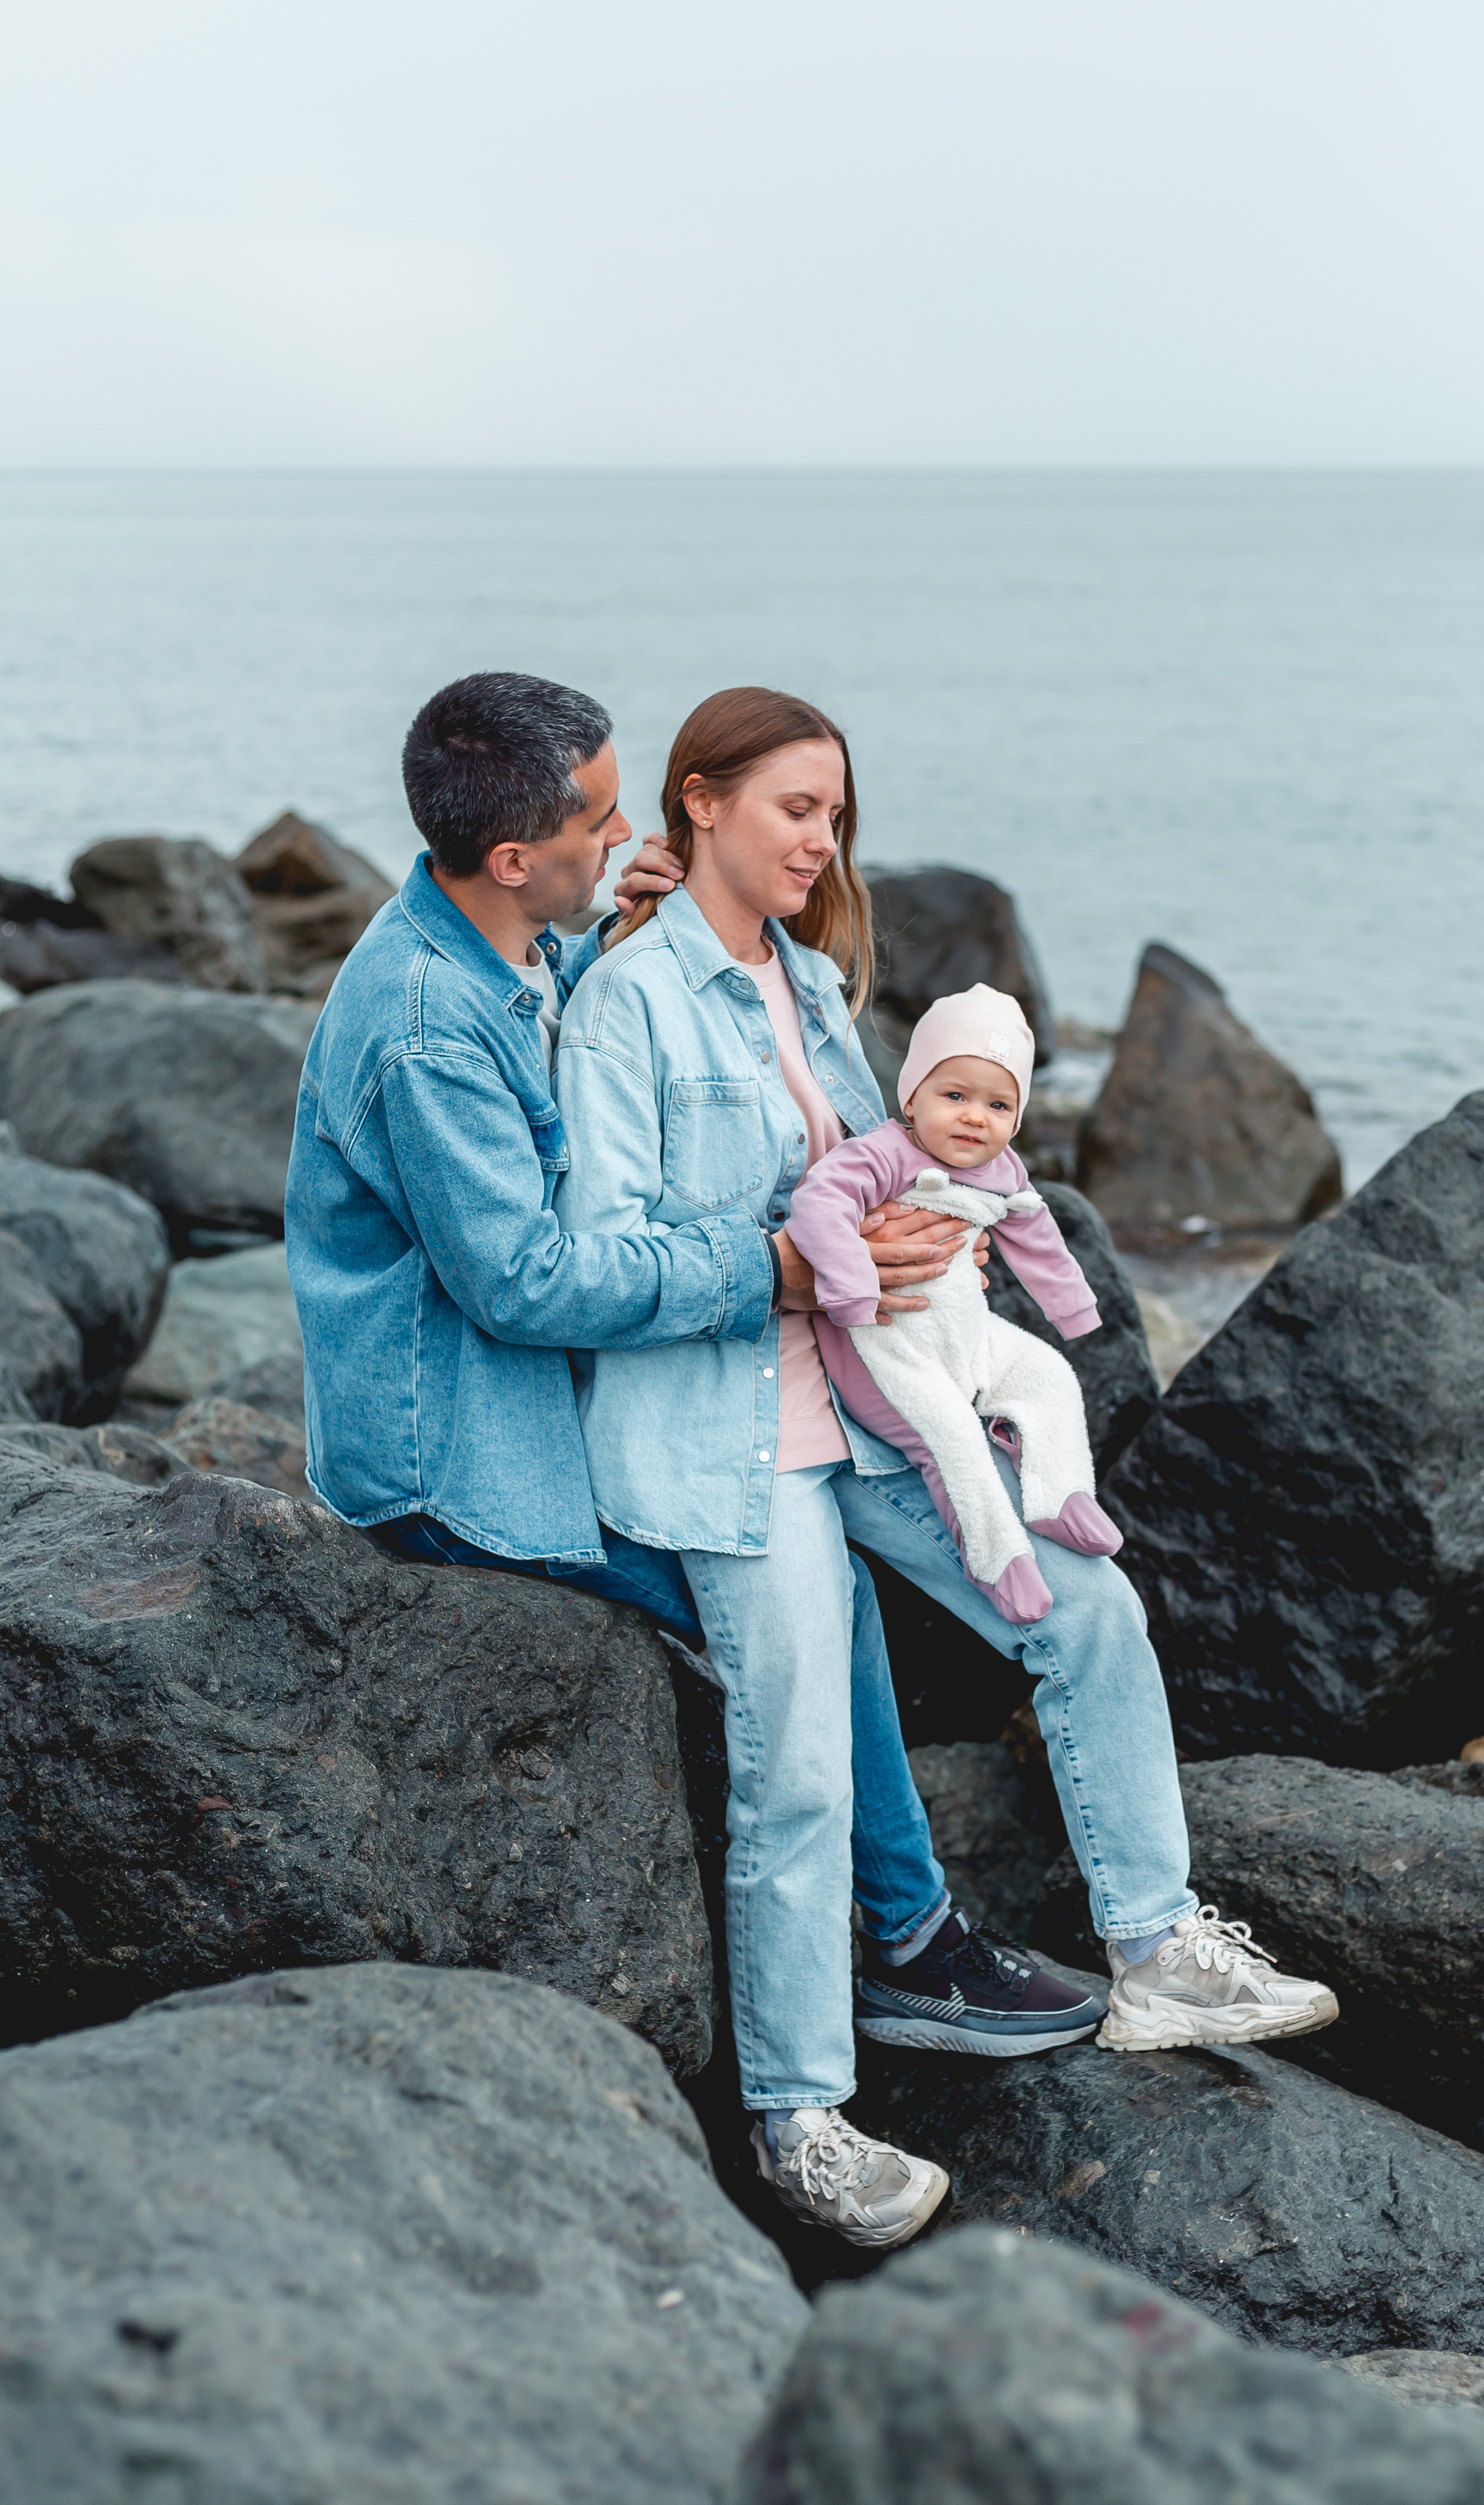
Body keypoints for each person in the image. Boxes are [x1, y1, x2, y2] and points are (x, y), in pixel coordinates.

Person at [284, 671, 1079, 2251]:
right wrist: (772, 1273)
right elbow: (524, 1279)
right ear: (512, 849)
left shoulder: (498, 934)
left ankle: (902, 1933)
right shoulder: (422, 1028)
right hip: (464, 1454)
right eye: (597, 820)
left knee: (830, 1553)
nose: (627, 830)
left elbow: (554, 1013)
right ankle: (881, 1976)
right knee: (807, 1597)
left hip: (557, 1399)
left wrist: (605, 936)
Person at [556, 686, 1339, 2247]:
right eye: (794, 806)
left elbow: (911, 1161)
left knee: (1086, 1602)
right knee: (800, 1769)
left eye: (836, 813)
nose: (822, 838)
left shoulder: (816, 989)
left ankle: (1152, 1949)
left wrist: (941, 1242)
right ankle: (798, 2120)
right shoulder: (625, 1002)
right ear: (694, 801)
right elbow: (592, 1254)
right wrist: (788, 1255)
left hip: (876, 1407)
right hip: (729, 1444)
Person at [785, 979, 1125, 1624]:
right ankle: (996, 1558)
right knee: (952, 1441)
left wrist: (1074, 1311)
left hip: (968, 1335)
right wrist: (853, 1288)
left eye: (999, 1105)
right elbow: (819, 1206)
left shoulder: (1005, 1174)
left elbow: (1039, 1239)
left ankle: (1059, 1496)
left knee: (1049, 1375)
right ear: (911, 1096)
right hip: (886, 1345)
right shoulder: (883, 1154)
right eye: (955, 1096)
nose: (975, 1116)